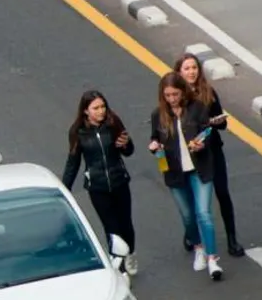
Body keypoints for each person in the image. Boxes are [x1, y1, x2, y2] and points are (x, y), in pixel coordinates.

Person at [147, 72, 223, 280]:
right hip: (174, 172)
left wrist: (201, 144)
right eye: (168, 95)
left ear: (183, 92)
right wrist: (154, 146)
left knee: (203, 213)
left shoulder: (197, 108)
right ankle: (198, 246)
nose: (172, 99)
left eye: (175, 94)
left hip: (200, 168)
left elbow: (207, 131)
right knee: (188, 216)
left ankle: (212, 259)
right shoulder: (158, 115)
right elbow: (155, 137)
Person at [62, 90, 138, 274]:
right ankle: (119, 266)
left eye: (103, 106)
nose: (101, 111)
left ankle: (130, 254)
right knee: (111, 228)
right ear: (86, 111)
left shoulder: (113, 123)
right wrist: (64, 189)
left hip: (119, 181)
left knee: (125, 224)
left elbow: (129, 150)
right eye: (95, 108)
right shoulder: (77, 131)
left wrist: (125, 144)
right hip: (97, 186)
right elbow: (73, 162)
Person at [176, 52, 243, 258]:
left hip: (213, 150)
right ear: (179, 72)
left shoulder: (208, 93)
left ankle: (232, 238)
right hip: (190, 154)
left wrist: (216, 121)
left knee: (222, 193)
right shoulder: (176, 97)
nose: (191, 72)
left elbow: (223, 123)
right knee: (193, 199)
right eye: (187, 68)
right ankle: (192, 234)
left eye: (194, 67)